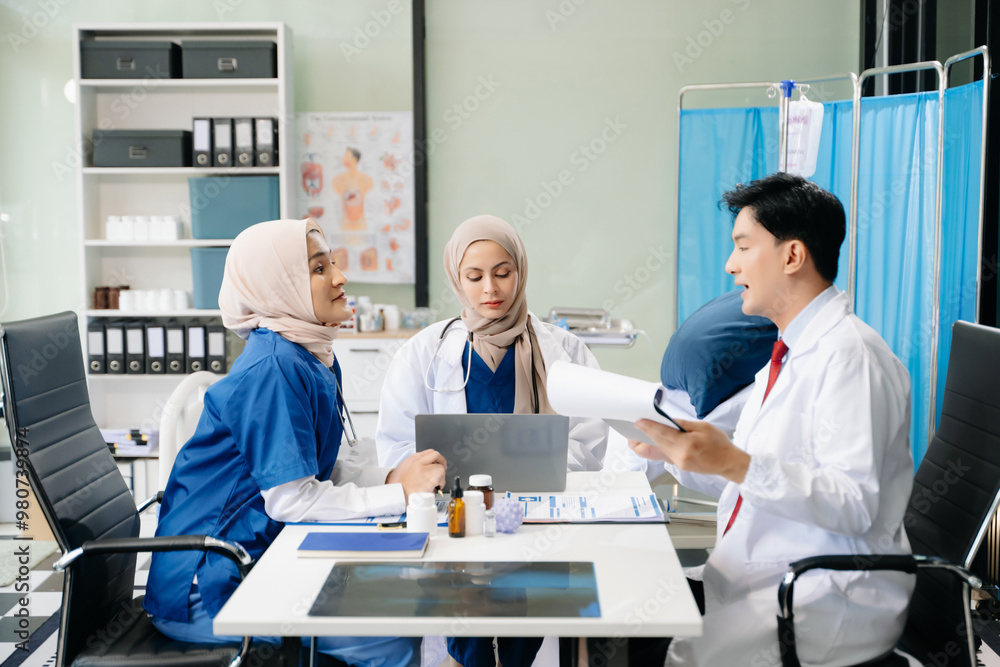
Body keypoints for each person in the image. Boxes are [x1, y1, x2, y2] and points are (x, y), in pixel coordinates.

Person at [630, 173, 915, 666]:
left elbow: (856, 504)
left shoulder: (851, 357)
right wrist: (681, 455)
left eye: (743, 247)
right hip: (762, 577)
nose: (730, 265)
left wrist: (736, 463)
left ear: (792, 256)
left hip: (823, 598)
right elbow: (756, 482)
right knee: (630, 613)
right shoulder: (786, 353)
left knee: (648, 649)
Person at [144, 218, 446, 667]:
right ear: (278, 285)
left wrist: (390, 477)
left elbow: (314, 465)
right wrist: (396, 492)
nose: (340, 278)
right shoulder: (274, 369)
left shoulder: (307, 352)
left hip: (257, 556)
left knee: (401, 601)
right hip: (209, 583)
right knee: (390, 636)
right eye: (318, 268)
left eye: (334, 263)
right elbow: (290, 500)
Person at [376, 214, 609, 666]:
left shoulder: (563, 351)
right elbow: (396, 446)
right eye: (475, 276)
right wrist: (429, 479)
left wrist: (538, 474)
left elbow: (590, 439)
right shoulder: (424, 354)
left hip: (538, 522)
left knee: (531, 628)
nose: (491, 289)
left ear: (520, 270)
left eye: (503, 273)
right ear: (456, 279)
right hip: (455, 523)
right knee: (465, 631)